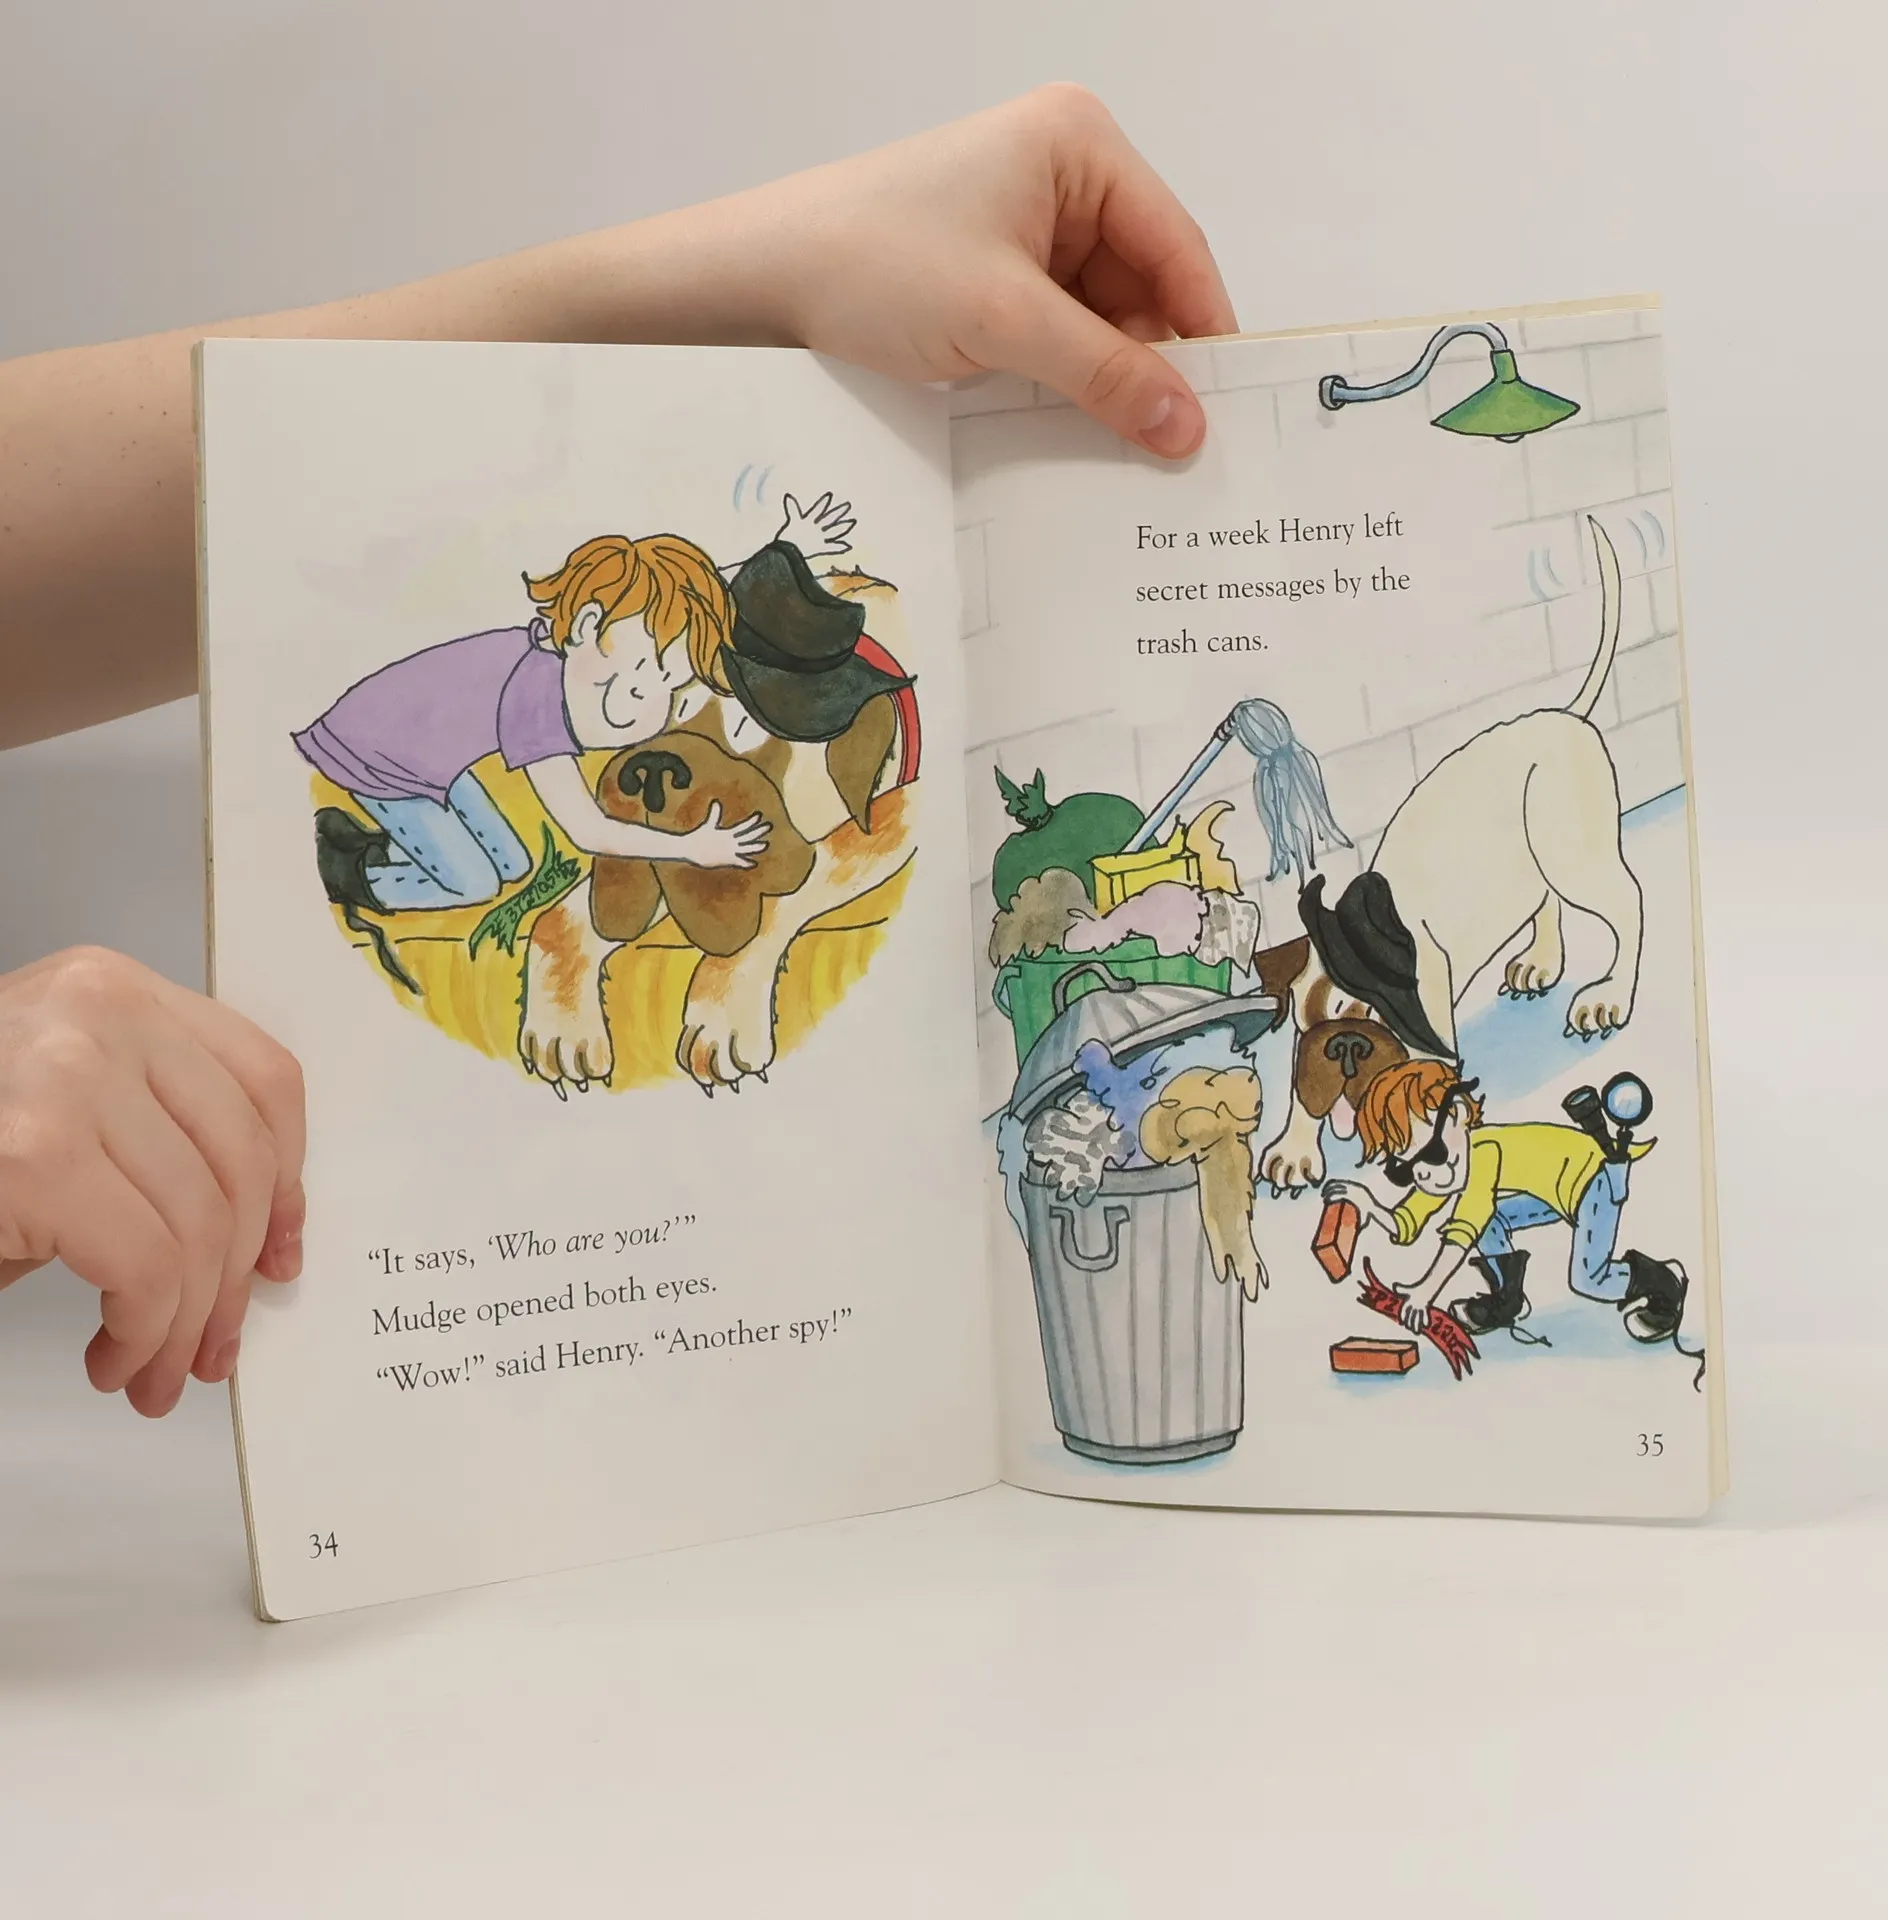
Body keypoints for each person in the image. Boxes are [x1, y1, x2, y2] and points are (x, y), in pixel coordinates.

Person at [0, 85, 1236, 1418]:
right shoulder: (547, 709)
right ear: (578, 632)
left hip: (452, 770)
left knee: (506, 851)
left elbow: (243, 478)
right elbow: (592, 829)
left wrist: (767, 273)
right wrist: (684, 844)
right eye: (641, 679)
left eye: (673, 684)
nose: (650, 707)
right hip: (383, 769)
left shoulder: (624, 693)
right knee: (474, 867)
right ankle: (373, 866)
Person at [1323, 1058, 1687, 1343]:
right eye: (1407, 1169)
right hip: (1554, 1188)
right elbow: (1407, 1223)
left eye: (1433, 1153)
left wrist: (1425, 1292)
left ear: (1458, 1114)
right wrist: (1371, 1206)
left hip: (1593, 1177)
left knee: (1589, 1279)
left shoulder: (1482, 1153)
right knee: (1493, 1220)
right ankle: (1507, 1299)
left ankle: (1664, 1283)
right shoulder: (1437, 1170)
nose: (1427, 1175)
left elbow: (1466, 1226)